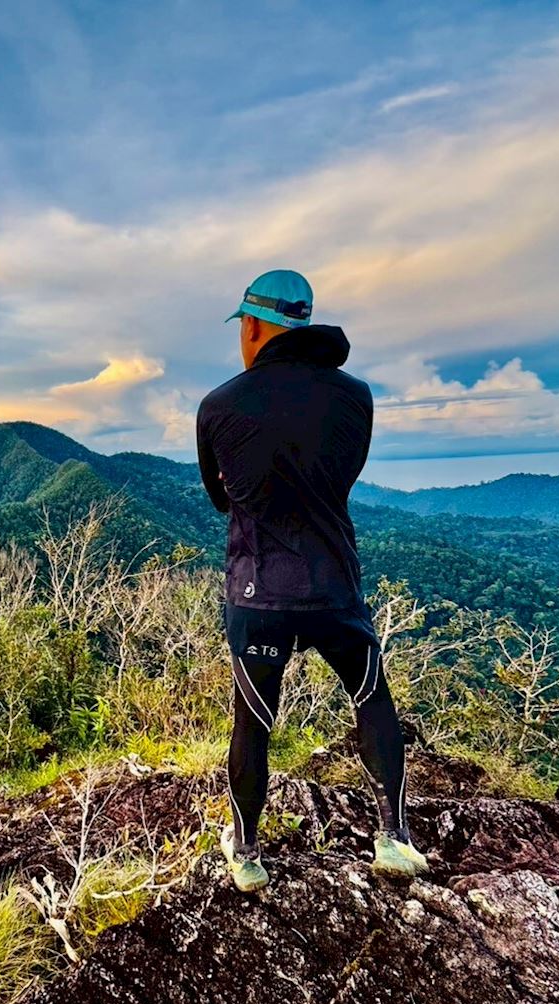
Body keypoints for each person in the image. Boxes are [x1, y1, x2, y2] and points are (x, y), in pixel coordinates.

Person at [195, 268, 429, 892]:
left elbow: (223, 499)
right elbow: (340, 476)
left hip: (258, 590)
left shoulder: (219, 406)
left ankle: (245, 854)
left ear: (252, 327)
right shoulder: (356, 398)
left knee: (253, 718)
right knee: (371, 695)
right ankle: (394, 840)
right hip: (333, 587)